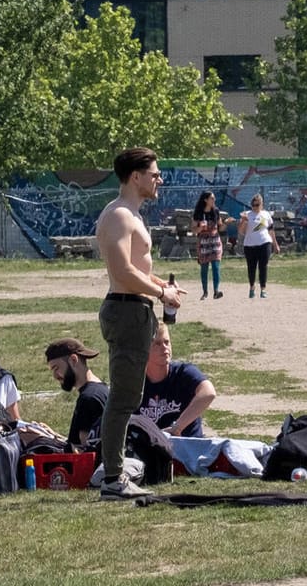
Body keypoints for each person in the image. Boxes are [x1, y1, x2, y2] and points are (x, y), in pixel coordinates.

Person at [95, 147, 185, 501]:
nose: (158, 179)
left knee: (130, 396)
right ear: (135, 176)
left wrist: (164, 287)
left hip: (136, 309)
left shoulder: (131, 214)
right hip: (127, 311)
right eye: (154, 173)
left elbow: (140, 271)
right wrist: (161, 294)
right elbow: (123, 272)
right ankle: (114, 479)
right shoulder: (119, 215)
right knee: (122, 399)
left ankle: (115, 474)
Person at [139, 323, 217, 437]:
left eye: (167, 342)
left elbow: (208, 393)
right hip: (152, 451)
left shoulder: (183, 372)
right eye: (157, 344)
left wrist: (177, 427)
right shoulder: (136, 383)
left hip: (189, 448)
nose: (165, 347)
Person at [45, 337, 109, 448]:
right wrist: (52, 436)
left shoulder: (88, 398)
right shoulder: (101, 390)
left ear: (73, 360)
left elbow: (84, 451)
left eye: (56, 368)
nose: (55, 376)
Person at [238, 194, 281, 298]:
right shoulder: (247, 214)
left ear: (262, 205)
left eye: (257, 205)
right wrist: (244, 221)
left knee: (263, 266)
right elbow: (241, 231)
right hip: (250, 245)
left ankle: (263, 289)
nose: (255, 207)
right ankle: (252, 287)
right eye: (253, 205)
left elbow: (271, 230)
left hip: (264, 243)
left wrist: (275, 244)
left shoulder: (266, 215)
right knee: (251, 267)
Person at [191, 192, 230, 300]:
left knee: (216, 266)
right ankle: (205, 292)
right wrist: (200, 228)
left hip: (215, 241)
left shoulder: (215, 211)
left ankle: (216, 291)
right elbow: (193, 230)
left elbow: (220, 227)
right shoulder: (198, 213)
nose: (214, 200)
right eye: (212, 198)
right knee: (204, 267)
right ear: (206, 200)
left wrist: (226, 223)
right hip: (203, 242)